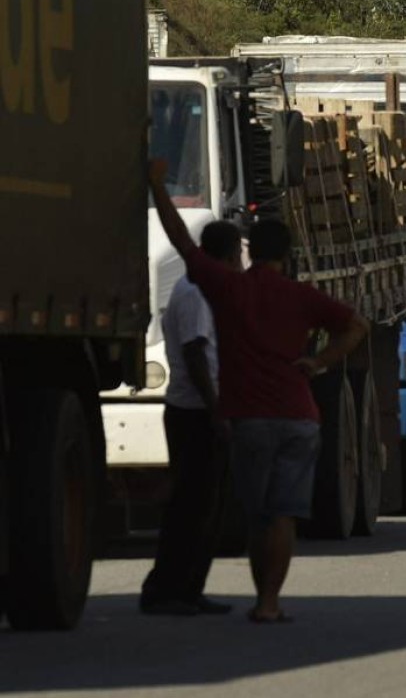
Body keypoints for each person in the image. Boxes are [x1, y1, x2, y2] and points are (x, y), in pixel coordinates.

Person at [149, 160, 369, 624]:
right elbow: (356, 326)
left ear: (250, 252)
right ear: (285, 255)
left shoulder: (229, 289)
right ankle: (270, 603)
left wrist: (156, 183)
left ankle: (257, 599)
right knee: (285, 515)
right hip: (299, 417)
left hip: (249, 419)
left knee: (257, 514)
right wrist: (319, 362)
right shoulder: (301, 295)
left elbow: (181, 243)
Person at [139, 221, 243, 617]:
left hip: (199, 410)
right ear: (228, 255)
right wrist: (217, 409)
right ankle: (166, 589)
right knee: (191, 507)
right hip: (194, 412)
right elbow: (197, 353)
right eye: (236, 257)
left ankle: (189, 588)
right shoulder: (196, 293)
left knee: (207, 507)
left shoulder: (198, 289)